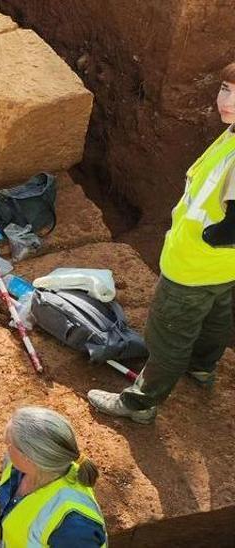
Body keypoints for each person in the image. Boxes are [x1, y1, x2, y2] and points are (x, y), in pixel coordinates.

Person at [88, 61, 235, 424]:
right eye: (226, 89)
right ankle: (202, 369)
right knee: (216, 320)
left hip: (192, 268)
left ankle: (140, 403)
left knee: (166, 337)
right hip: (222, 271)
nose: (225, 100)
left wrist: (206, 237)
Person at [0, 407, 107, 548]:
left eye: (9, 444)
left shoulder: (74, 527)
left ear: (28, 457)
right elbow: (10, 488)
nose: (6, 447)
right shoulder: (26, 467)